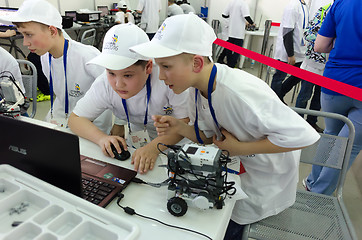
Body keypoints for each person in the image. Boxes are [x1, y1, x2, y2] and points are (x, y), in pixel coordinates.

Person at [130, 14, 320, 238]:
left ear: (197, 63)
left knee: (229, 230)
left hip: (265, 184)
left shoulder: (241, 93)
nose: (161, 76)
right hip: (234, 176)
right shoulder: (195, 89)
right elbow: (212, 137)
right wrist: (179, 129)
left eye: (166, 66)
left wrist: (241, 149)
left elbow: (305, 136)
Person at [68, 23, 189, 174]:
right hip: (138, 145)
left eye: (128, 75)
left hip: (178, 145)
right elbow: (75, 119)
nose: (118, 84)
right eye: (111, 73)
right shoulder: (104, 84)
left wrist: (153, 147)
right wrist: (102, 139)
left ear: (148, 67)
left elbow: (185, 123)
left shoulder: (167, 80)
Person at [0, 0, 112, 132]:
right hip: (60, 120)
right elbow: (60, 95)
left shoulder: (88, 56)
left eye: (29, 34)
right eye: (23, 35)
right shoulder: (45, 57)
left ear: (52, 31)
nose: (25, 43)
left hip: (92, 127)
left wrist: (119, 124)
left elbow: (114, 90)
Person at [304, 0, 362, 195]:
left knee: (330, 136)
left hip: (335, 81)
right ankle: (320, 194)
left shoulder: (340, 3)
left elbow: (319, 45)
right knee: (349, 146)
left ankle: (312, 182)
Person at [295, 1, 333, 133]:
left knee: (318, 97)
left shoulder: (341, 14)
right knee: (305, 94)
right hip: (313, 63)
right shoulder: (323, 11)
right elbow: (308, 34)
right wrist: (324, 40)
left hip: (327, 66)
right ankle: (297, 122)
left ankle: (312, 122)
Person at [270, 0, 308, 103]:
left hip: (298, 50)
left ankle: (279, 94)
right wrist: (290, 54)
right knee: (279, 77)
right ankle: (273, 101)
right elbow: (287, 31)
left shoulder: (304, 5)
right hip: (287, 50)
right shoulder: (292, 6)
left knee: (300, 74)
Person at [216, 0, 255, 68]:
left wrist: (233, 19)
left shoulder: (231, 2)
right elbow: (246, 16)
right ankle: (232, 65)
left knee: (229, 49)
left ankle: (228, 65)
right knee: (237, 50)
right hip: (238, 32)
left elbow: (224, 15)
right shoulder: (243, 3)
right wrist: (252, 23)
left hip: (231, 31)